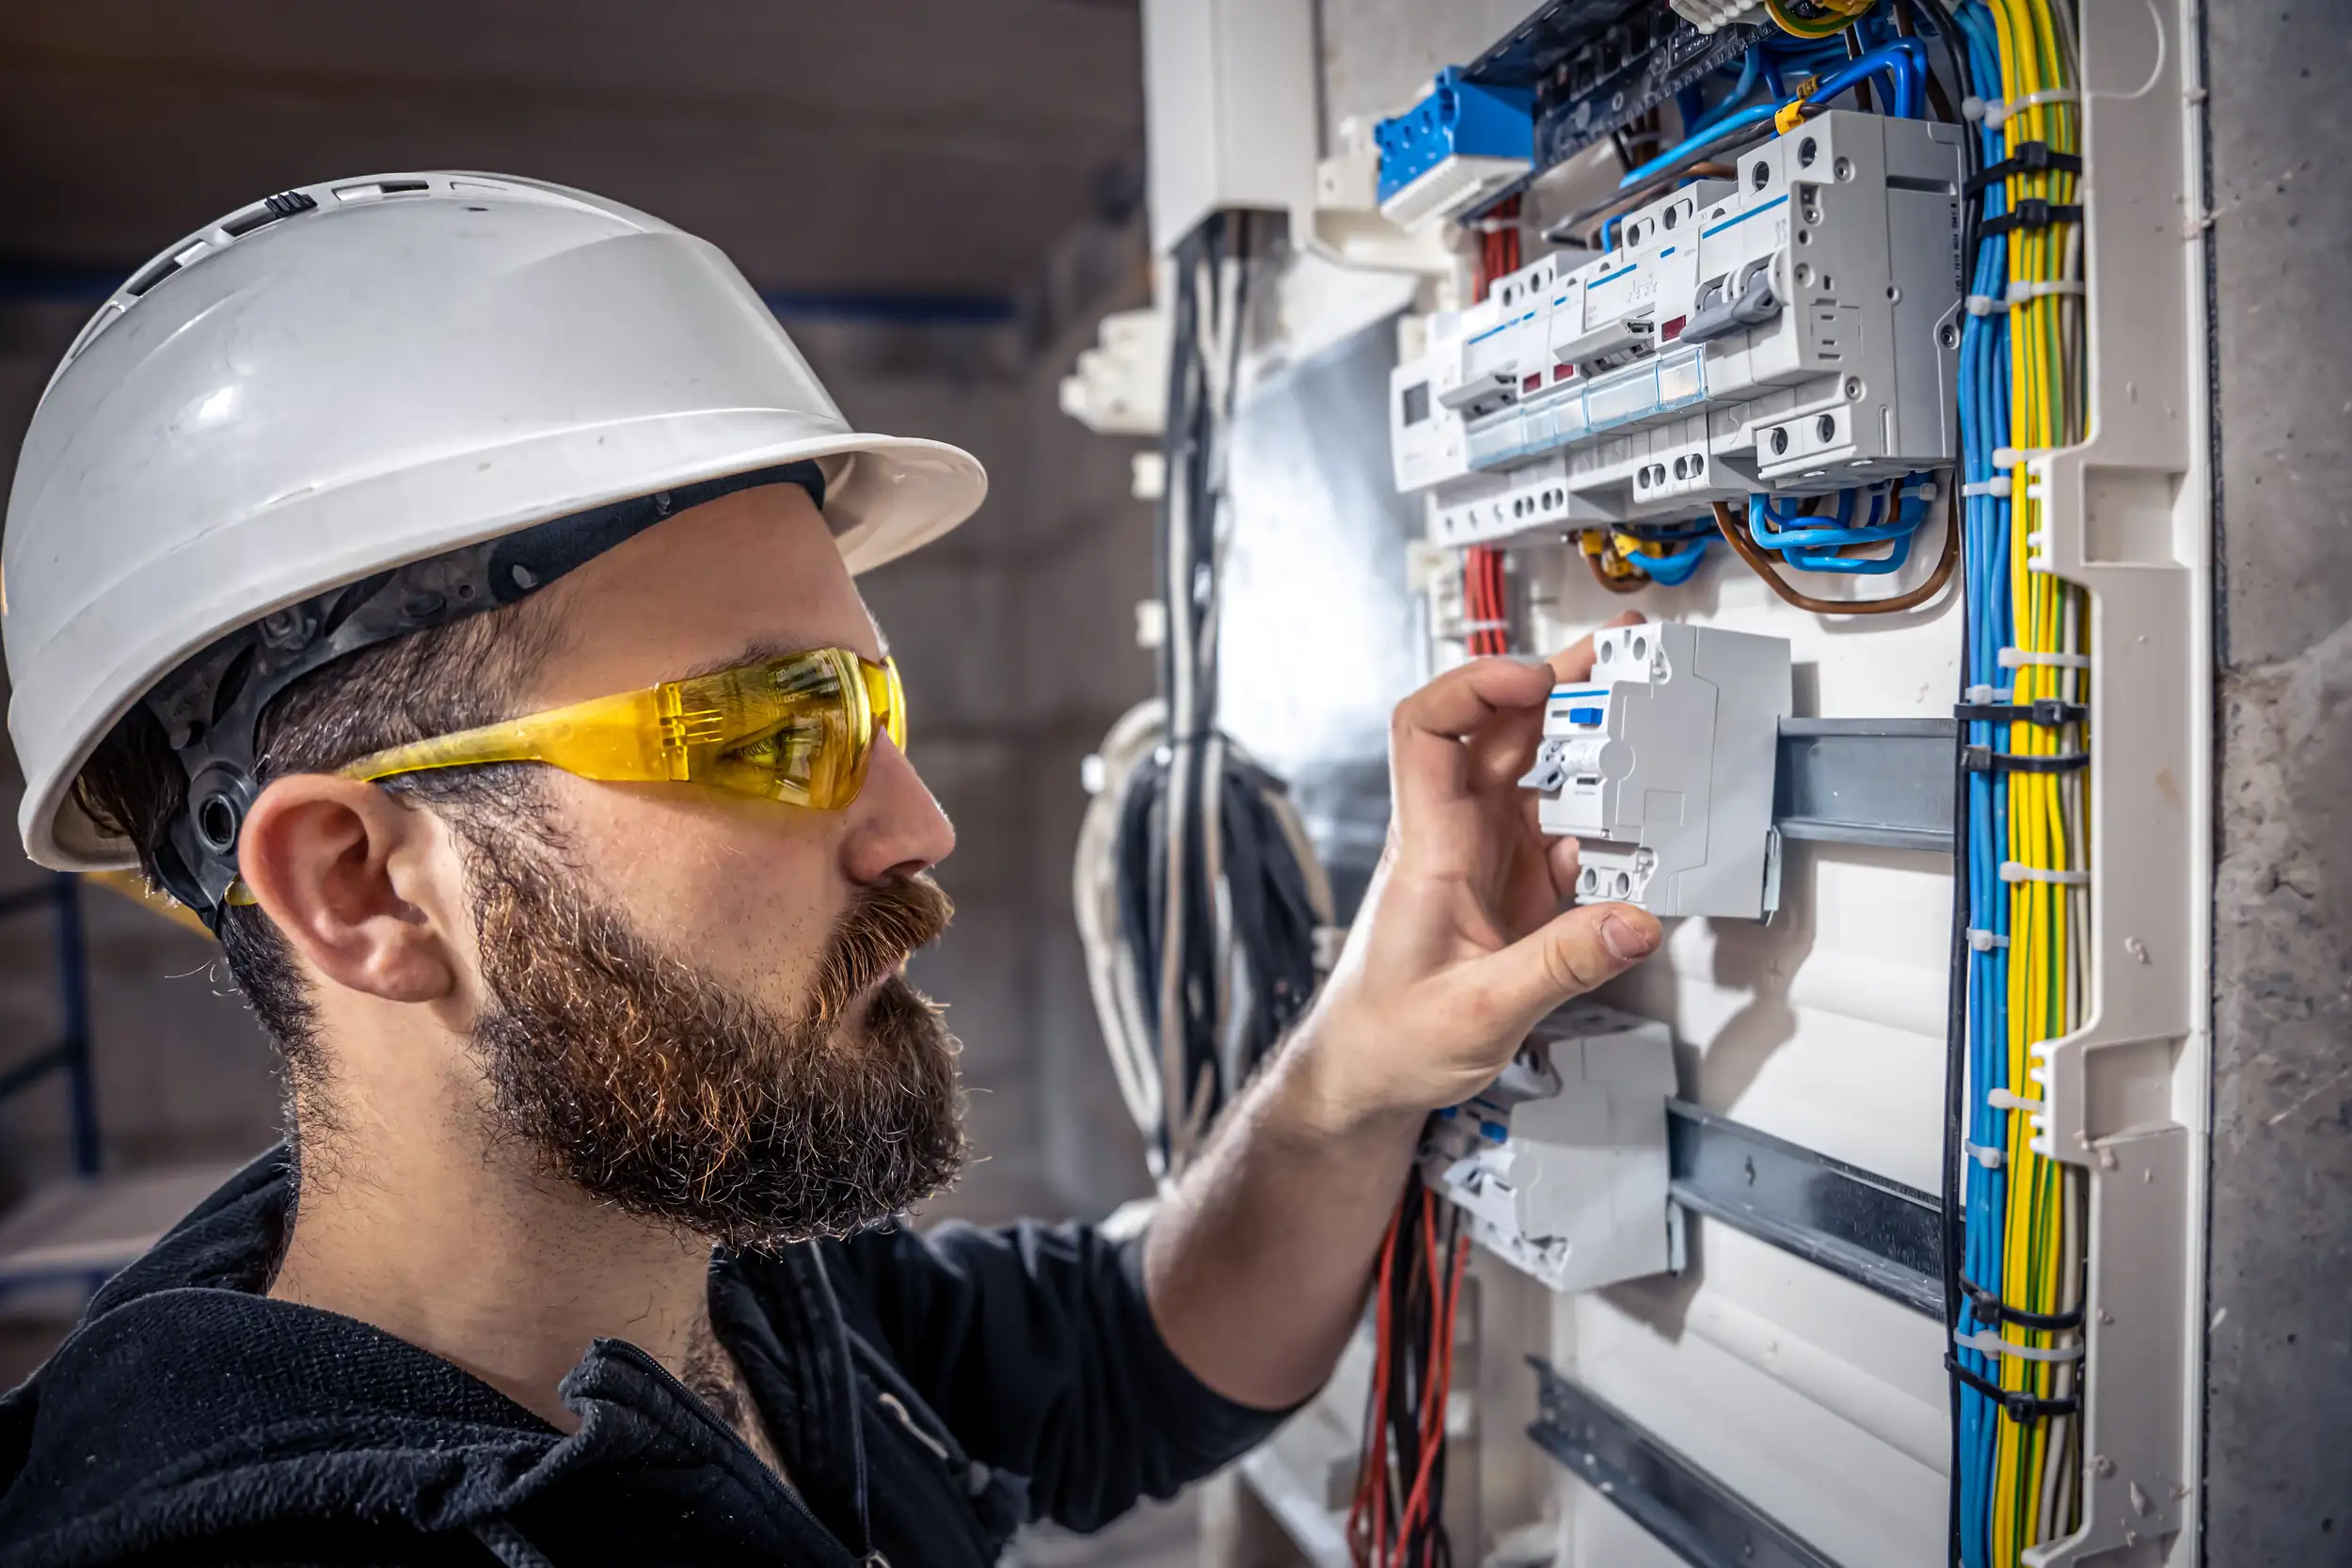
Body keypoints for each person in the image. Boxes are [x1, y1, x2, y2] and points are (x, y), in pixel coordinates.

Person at [0, 174, 1661, 1568]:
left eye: (873, 702)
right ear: (364, 884)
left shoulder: (697, 1246)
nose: (919, 820)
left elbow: (1117, 1361)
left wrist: (1351, 1073)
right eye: (770, 723)